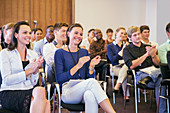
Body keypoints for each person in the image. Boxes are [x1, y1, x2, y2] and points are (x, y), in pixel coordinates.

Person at [54, 23, 116, 113]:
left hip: (84, 88)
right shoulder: (59, 52)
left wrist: (91, 66)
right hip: (68, 91)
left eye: (81, 34)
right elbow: (60, 79)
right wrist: (78, 65)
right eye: (76, 33)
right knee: (91, 84)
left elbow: (90, 78)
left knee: (90, 94)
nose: (78, 36)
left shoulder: (84, 52)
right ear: (68, 34)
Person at [0, 21, 50, 113]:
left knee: (40, 90)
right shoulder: (5, 53)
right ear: (16, 35)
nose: (28, 35)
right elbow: (7, 80)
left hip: (28, 89)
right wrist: (29, 71)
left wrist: (35, 71)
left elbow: (33, 82)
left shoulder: (33, 54)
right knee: (45, 103)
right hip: (10, 92)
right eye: (25, 32)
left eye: (30, 33)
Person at [123, 26, 164, 112]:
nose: (138, 36)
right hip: (141, 75)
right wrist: (146, 55)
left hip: (152, 72)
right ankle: (162, 110)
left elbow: (157, 64)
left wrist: (153, 55)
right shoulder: (127, 49)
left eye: (138, 34)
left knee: (163, 71)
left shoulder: (148, 46)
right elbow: (131, 66)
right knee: (161, 81)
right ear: (130, 38)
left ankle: (150, 77)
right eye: (134, 35)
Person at [107, 27, 129, 100]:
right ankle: (126, 95)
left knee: (125, 68)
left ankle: (117, 85)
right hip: (115, 67)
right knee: (125, 72)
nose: (123, 35)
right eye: (121, 33)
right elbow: (113, 60)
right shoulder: (110, 46)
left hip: (125, 66)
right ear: (116, 33)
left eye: (124, 34)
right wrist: (122, 51)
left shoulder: (126, 45)